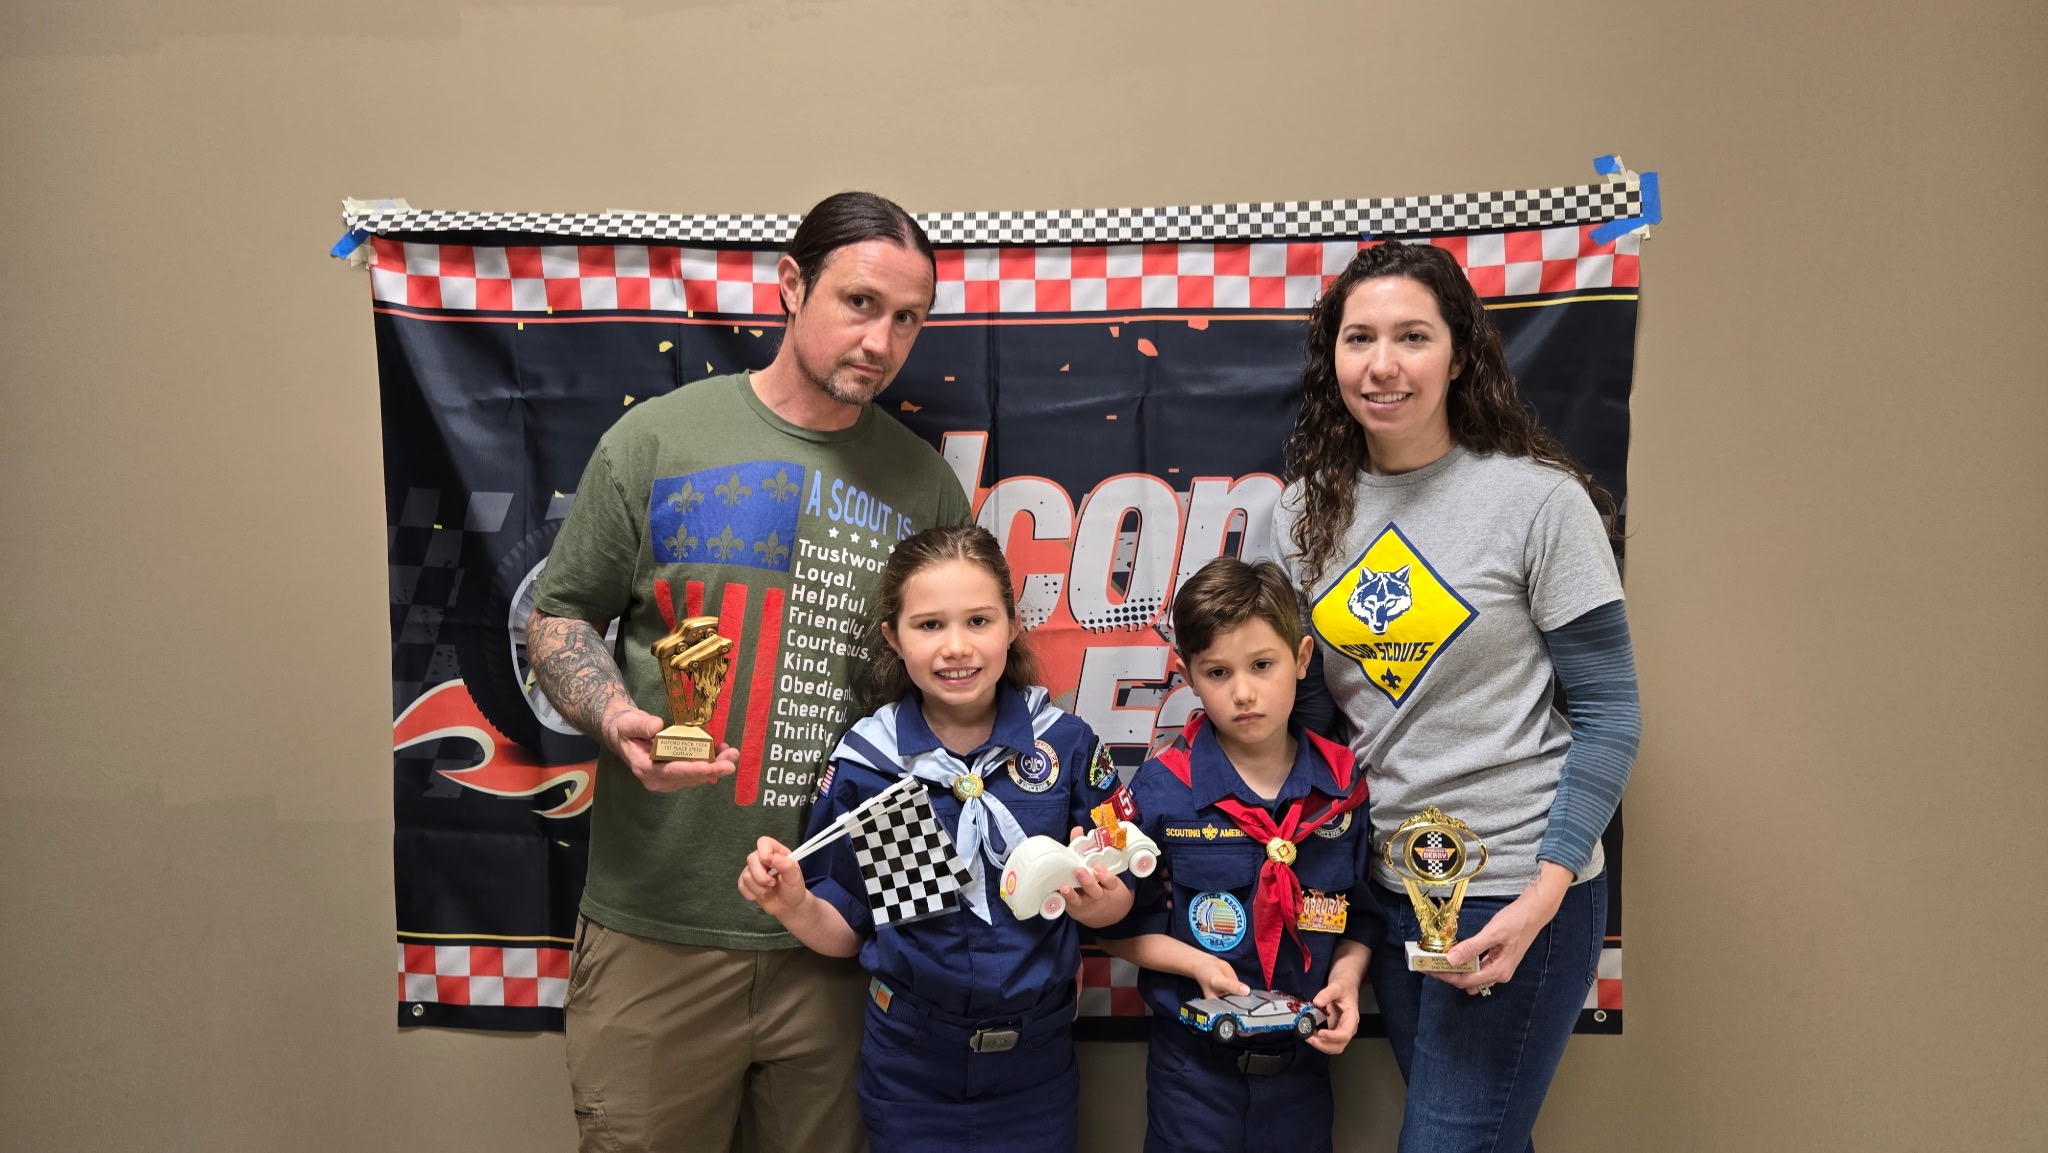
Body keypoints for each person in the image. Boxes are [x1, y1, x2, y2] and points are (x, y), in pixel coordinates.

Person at [526, 191, 974, 1153]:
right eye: (860, 303)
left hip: (839, 937)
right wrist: (614, 717)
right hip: (660, 926)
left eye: (908, 318)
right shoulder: (659, 439)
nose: (882, 340)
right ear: (791, 286)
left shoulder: (927, 484)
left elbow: (939, 714)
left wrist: (900, 921)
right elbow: (559, 615)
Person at [1272, 241, 1642, 1153]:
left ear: (1460, 355)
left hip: (1513, 883)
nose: (1383, 364)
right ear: (1332, 359)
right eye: (1360, 338)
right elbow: (1312, 718)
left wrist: (1544, 895)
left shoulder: (1538, 502)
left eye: (1413, 336)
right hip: (1390, 884)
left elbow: (1610, 715)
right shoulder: (1301, 515)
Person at [737, 525, 1132, 1153]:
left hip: (1037, 1064)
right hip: (911, 1066)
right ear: (894, 638)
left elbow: (1124, 895)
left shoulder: (1064, 743)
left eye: (978, 621)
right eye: (928, 625)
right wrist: (792, 903)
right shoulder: (874, 765)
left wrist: (1102, 903)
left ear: (1012, 626)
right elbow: (848, 928)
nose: (956, 647)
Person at [1095, 556, 1381, 1153]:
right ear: (1187, 675)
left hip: (1303, 1072)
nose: (1243, 692)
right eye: (1218, 672)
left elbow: (1363, 916)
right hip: (1193, 1075)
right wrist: (1196, 966)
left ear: (1302, 659)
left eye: (1262, 665)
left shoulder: (1342, 787)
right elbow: (1116, 928)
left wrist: (1347, 981)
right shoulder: (1161, 789)